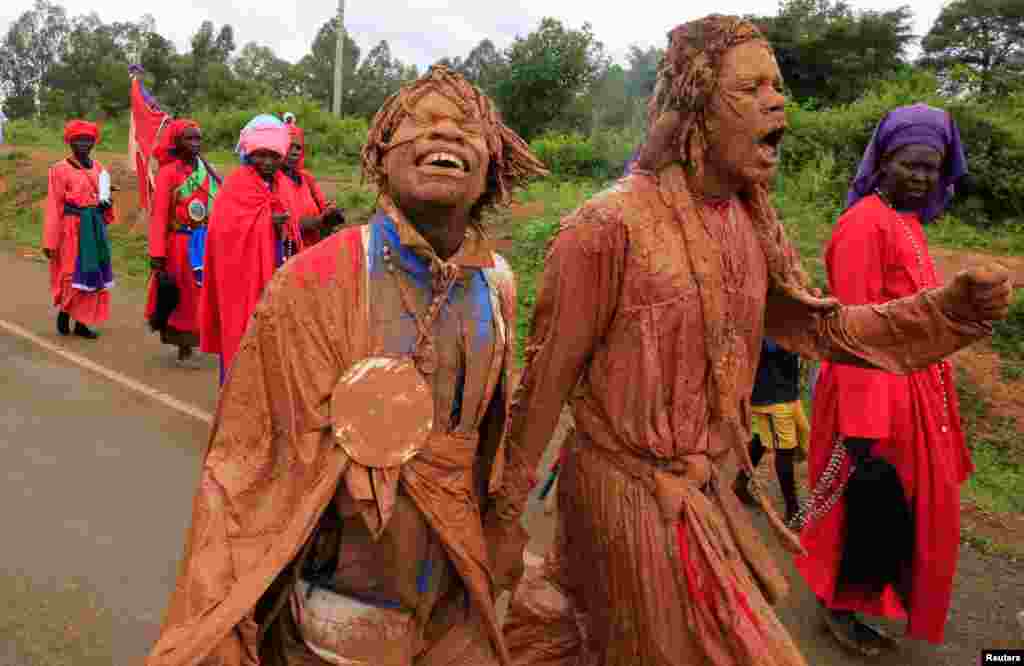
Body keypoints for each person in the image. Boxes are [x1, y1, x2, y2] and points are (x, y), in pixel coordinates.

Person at [497, 16, 1012, 666]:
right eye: (751, 89)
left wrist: (948, 311)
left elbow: (825, 329)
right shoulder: (605, 229)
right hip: (626, 497)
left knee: (583, 635)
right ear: (696, 109)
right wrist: (501, 520)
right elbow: (541, 388)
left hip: (705, 496)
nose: (778, 101)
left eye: (778, 86)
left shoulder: (747, 224)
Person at [144, 65, 547, 666]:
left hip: (453, 592)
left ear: (492, 163)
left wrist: (503, 529)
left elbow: (492, 445)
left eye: (467, 127)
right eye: (423, 122)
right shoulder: (315, 278)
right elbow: (248, 458)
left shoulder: (499, 288)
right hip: (339, 599)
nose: (446, 134)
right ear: (383, 157)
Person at [794, 103, 979, 656]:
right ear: (882, 163)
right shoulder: (862, 227)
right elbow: (853, 333)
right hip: (872, 395)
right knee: (862, 507)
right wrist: (864, 425)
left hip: (913, 393)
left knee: (903, 510)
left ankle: (873, 597)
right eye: (910, 164)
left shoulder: (907, 222)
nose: (922, 176)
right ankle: (838, 606)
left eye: (933, 166)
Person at [198, 114, 304, 384]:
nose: (267, 162)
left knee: (276, 337)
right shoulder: (237, 184)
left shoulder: (283, 184)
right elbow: (223, 233)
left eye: (273, 156)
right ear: (249, 154)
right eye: (260, 155)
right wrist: (266, 222)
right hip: (242, 278)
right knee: (244, 333)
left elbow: (293, 228)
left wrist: (281, 227)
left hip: (277, 269)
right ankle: (237, 401)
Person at [145, 118, 220, 368]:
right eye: (189, 138)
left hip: (205, 241)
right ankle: (183, 346)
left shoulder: (207, 171)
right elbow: (158, 216)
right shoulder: (168, 173)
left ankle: (197, 339)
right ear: (177, 142)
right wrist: (157, 253)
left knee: (201, 294)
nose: (195, 143)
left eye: (198, 138)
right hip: (180, 242)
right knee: (184, 294)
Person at [42, 120, 116, 340]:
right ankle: (65, 310)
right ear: (70, 142)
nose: (84, 144)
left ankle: (83, 322)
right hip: (70, 227)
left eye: (88, 140)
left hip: (93, 228)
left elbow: (105, 201)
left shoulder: (100, 169)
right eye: (79, 140)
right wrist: (50, 241)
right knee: (70, 271)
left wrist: (107, 204)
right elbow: (54, 206)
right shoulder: (59, 170)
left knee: (93, 271)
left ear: (93, 143)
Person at [733, 337, 809, 524]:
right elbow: (773, 345)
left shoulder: (781, 315)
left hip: (783, 390)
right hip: (772, 395)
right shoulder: (768, 317)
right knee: (785, 449)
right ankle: (793, 512)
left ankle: (740, 483)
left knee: (768, 438)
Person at [281, 123, 344, 248]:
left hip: (313, 252)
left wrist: (331, 214)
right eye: (289, 146)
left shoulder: (306, 178)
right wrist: (319, 221)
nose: (294, 152)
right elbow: (288, 226)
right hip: (288, 255)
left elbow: (323, 208)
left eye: (298, 148)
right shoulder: (273, 182)